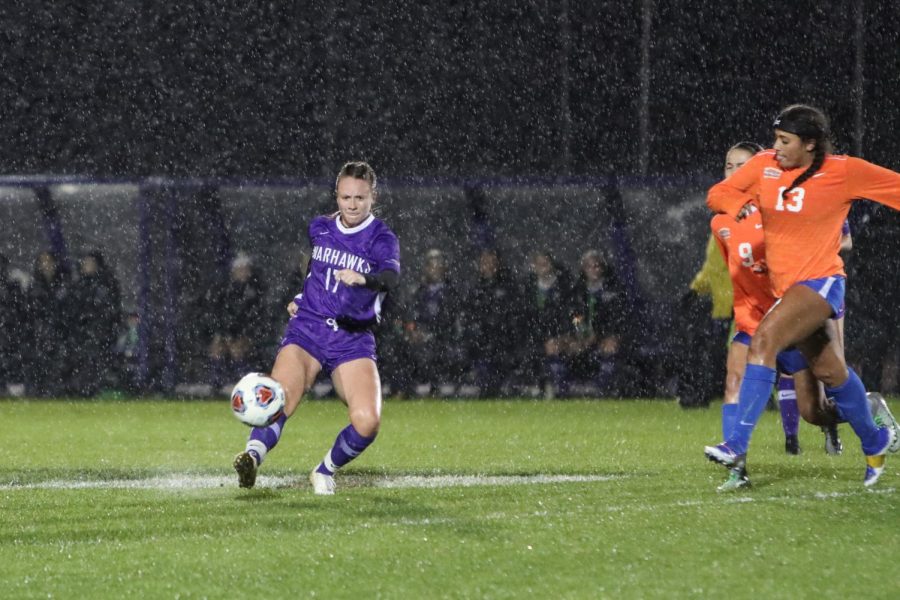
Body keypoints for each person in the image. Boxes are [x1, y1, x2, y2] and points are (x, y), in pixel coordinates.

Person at [704, 104, 900, 488]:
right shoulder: (764, 165)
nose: (775, 147)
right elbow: (718, 193)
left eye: (785, 141)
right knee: (830, 374)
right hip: (787, 291)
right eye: (776, 139)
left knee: (764, 340)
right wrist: (737, 203)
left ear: (810, 144)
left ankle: (735, 445)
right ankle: (876, 437)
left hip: (821, 282)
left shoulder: (843, 171)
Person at [233, 161, 400, 495]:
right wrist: (302, 293)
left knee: (367, 421)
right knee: (280, 398)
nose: (352, 204)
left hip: (352, 338)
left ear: (372, 197)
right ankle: (251, 457)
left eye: (359, 198)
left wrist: (363, 278)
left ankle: (325, 470)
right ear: (336, 196)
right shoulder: (320, 227)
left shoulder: (381, 238)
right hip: (308, 329)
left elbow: (390, 278)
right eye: (345, 197)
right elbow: (313, 264)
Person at [69, 250, 123, 396]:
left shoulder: (106, 284)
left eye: (90, 263)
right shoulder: (79, 285)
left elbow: (111, 312)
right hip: (84, 337)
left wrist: (101, 330)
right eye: (85, 263)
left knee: (96, 366)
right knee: (85, 367)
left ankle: (95, 392)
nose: (87, 266)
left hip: (99, 337)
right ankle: (85, 392)